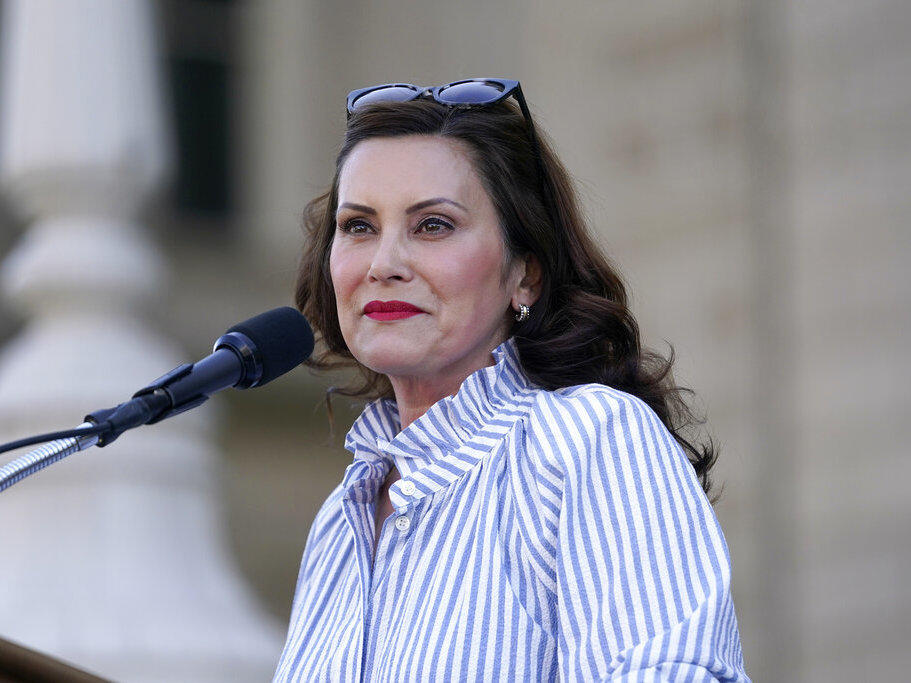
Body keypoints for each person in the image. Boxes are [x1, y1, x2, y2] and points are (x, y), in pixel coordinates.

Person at [273, 79, 749, 681]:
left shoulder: (585, 440)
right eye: (359, 227)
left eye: (433, 225)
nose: (383, 264)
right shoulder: (338, 524)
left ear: (525, 275)